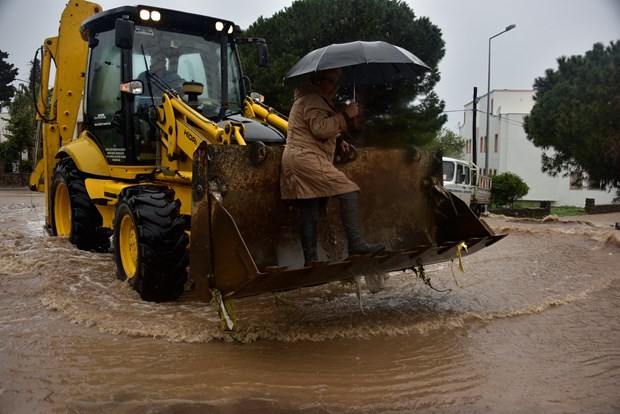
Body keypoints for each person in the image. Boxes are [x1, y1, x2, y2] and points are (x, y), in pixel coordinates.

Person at [280, 68, 385, 266]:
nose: (335, 87)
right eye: (330, 81)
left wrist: (338, 141)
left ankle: (311, 261)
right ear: (317, 80)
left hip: (299, 158)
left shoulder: (313, 99)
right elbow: (320, 129)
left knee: (310, 209)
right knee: (349, 191)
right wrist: (345, 115)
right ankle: (356, 245)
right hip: (306, 158)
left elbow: (314, 127)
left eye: (337, 82)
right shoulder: (312, 99)